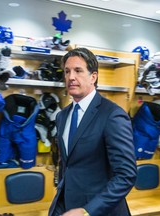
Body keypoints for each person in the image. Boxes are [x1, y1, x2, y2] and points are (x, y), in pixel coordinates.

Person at [48, 47, 137, 216]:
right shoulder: (62, 116)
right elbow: (68, 166)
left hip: (101, 211)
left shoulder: (112, 115)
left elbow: (126, 175)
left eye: (78, 71)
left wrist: (87, 211)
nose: (71, 77)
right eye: (67, 71)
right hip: (67, 207)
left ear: (93, 77)